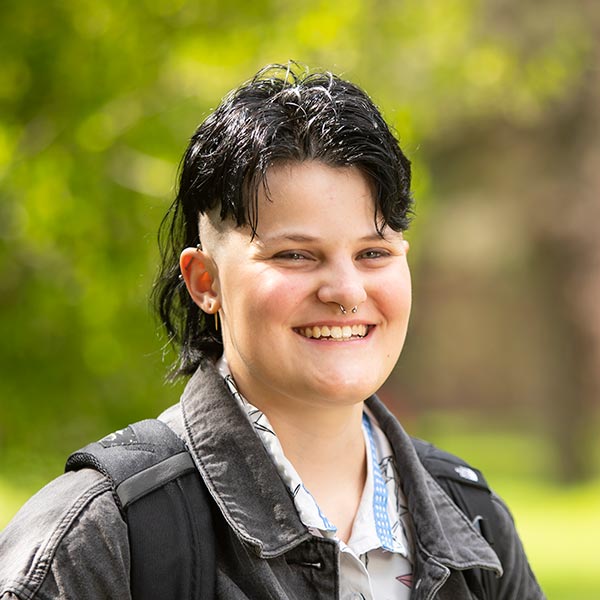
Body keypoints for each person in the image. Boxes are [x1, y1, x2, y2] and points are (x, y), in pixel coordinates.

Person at [0, 63, 544, 599]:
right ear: (204, 281)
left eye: (373, 252)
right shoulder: (103, 536)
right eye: (295, 255)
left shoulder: (473, 521)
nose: (346, 290)